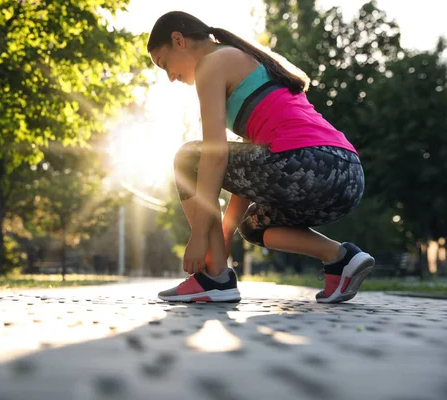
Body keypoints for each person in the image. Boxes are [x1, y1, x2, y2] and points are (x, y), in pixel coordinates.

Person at [147, 11, 375, 304]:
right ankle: (341, 259)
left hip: (309, 162)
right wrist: (225, 234)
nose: (170, 77)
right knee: (254, 225)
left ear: (178, 40)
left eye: (164, 64)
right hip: (347, 175)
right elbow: (246, 173)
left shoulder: (212, 63)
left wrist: (200, 237)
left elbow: (214, 156)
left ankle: (214, 278)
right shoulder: (243, 63)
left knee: (188, 157)